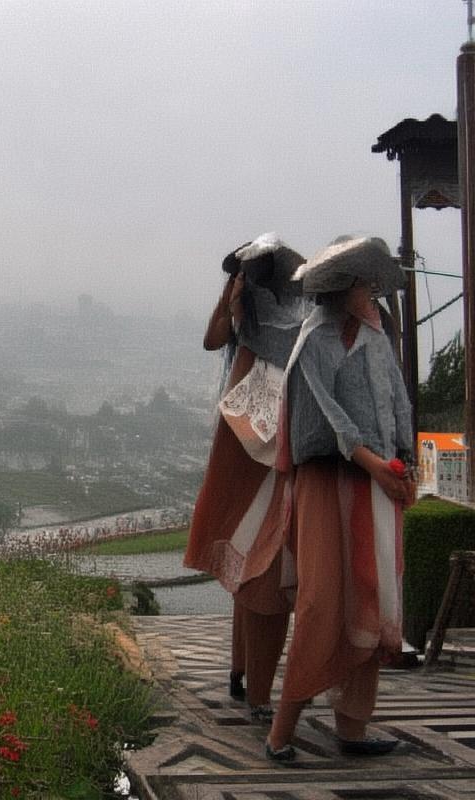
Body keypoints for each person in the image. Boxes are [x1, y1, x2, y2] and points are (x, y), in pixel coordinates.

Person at [265, 236, 416, 761]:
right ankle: (280, 733)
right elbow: (330, 416)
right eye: (363, 284)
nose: (371, 292)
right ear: (343, 286)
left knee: (371, 596)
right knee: (323, 600)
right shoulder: (315, 340)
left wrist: (403, 459)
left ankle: (352, 726)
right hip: (329, 481)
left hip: (375, 483)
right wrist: (375, 465)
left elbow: (397, 400)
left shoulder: (376, 335)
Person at [184, 233, 309, 722]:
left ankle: (244, 673)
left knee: (252, 554)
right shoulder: (264, 320)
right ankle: (251, 683)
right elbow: (213, 338)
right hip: (257, 445)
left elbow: (216, 339)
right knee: (259, 561)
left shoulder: (283, 320)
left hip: (257, 442)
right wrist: (231, 300)